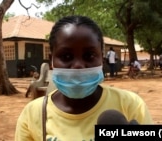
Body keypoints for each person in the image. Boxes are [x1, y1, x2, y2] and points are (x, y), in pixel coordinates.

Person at [15, 16, 153, 141]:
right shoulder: (33, 115)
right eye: (66, 57)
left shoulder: (130, 105)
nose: (78, 66)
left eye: (89, 56)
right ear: (52, 61)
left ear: (102, 60)